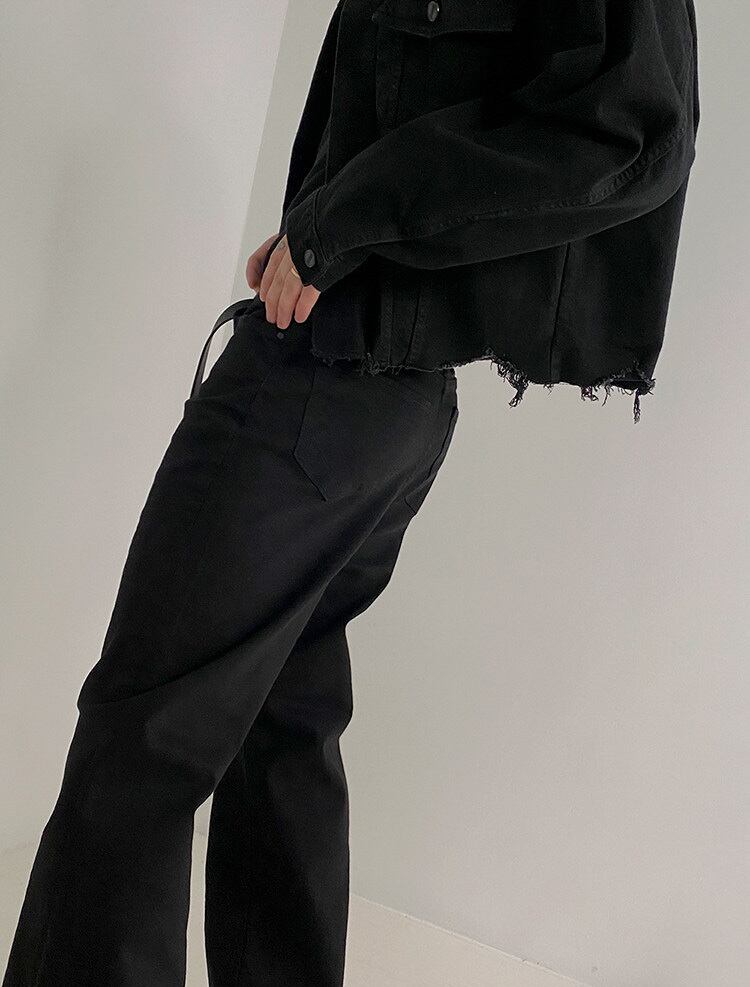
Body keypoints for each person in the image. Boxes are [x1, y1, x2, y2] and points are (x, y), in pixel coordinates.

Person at [2, 2, 699, 985]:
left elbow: (631, 128)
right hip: (381, 403)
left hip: (325, 394)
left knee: (143, 740)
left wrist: (335, 228)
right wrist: (314, 238)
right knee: (281, 729)